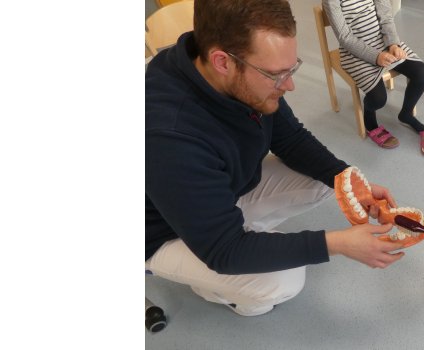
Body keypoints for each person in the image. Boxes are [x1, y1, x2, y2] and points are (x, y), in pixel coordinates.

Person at [145, 0, 407, 317]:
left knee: (335, 183)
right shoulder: (170, 133)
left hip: (217, 192)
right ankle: (216, 287)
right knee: (283, 281)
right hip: (162, 233)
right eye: (277, 74)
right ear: (223, 62)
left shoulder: (228, 67)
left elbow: (291, 138)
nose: (290, 84)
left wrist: (351, 181)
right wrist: (337, 244)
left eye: (291, 68)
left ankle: (238, 234)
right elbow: (224, 250)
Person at [323, 0, 424, 156]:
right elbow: (345, 37)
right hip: (355, 53)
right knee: (378, 99)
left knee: (421, 73)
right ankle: (370, 122)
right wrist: (375, 57)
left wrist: (392, 44)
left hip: (382, 42)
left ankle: (406, 114)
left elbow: (385, 16)